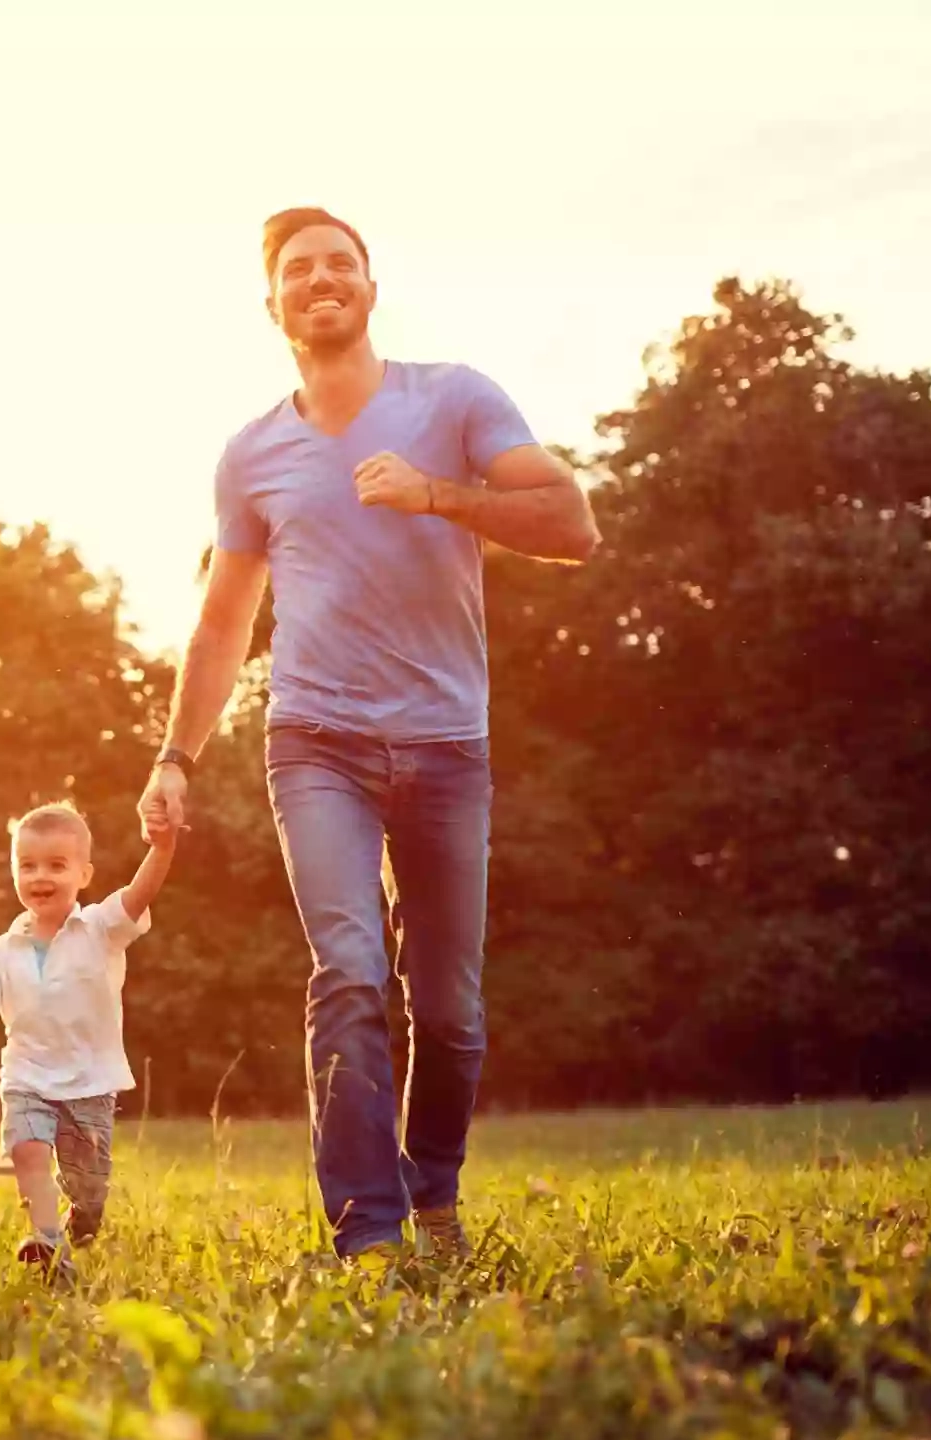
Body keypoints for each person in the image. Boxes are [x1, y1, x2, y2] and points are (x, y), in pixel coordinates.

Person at [140, 207, 599, 1267]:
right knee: (347, 970)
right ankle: (369, 1233)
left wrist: (435, 494)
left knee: (447, 1008)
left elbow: (572, 525)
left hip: (445, 744)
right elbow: (221, 620)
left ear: (370, 289)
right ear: (272, 306)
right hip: (316, 743)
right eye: (298, 269)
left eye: (340, 263)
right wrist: (174, 757)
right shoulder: (252, 454)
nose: (320, 278)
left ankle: (431, 1198)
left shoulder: (453, 399)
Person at [0, 803, 175, 1278]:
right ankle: (47, 1242)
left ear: (84, 873)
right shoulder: (3, 949)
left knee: (87, 1187)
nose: (40, 876)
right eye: (27, 865)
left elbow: (139, 894)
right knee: (28, 1150)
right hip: (26, 1079)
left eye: (56, 865)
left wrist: (163, 846)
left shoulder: (100, 928)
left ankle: (82, 1220)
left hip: (90, 1085)